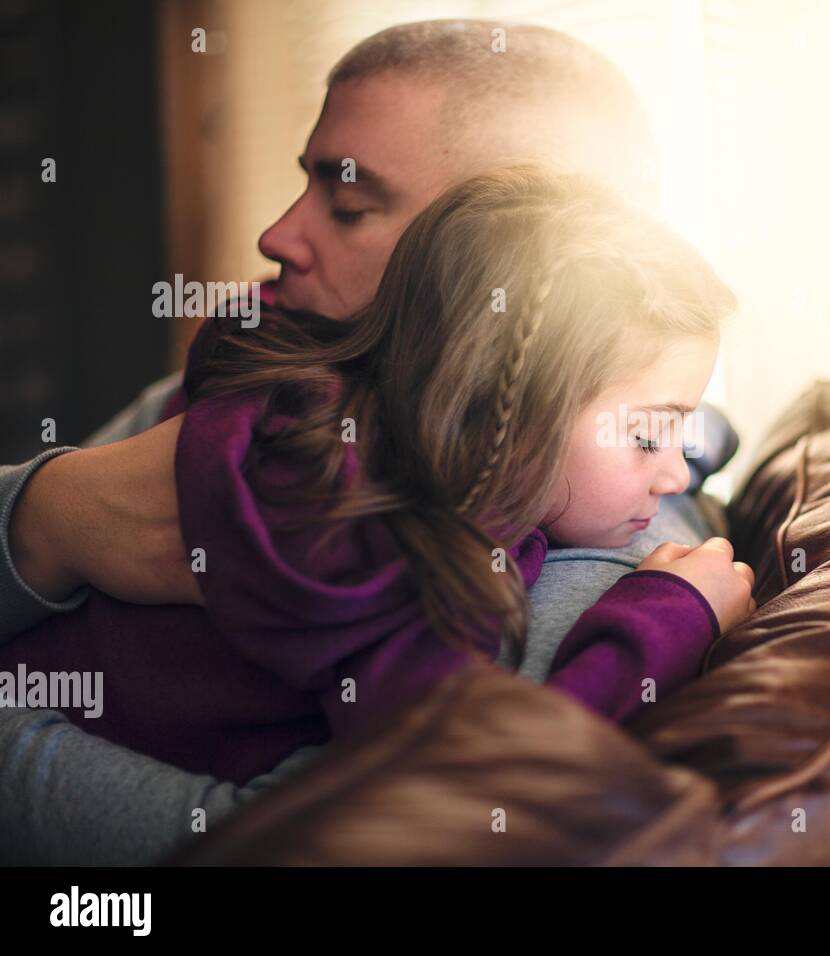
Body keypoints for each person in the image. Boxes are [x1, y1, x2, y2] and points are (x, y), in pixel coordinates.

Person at [0, 20, 739, 863]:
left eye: (349, 205)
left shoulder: (591, 552)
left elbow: (355, 840)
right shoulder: (262, 373)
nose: (275, 236)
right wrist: (53, 512)